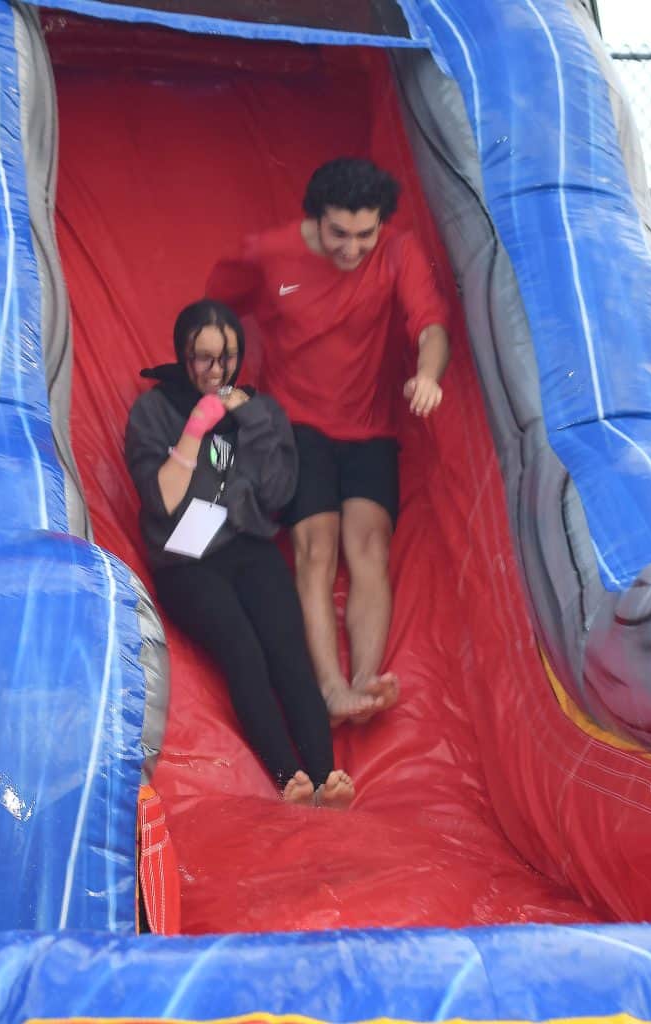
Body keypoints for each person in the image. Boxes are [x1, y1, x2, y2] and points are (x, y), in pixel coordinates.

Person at [207, 157, 450, 726]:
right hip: (297, 426)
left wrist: (429, 374)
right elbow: (214, 311)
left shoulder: (396, 250)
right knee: (317, 547)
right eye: (339, 233)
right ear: (317, 218)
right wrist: (219, 391)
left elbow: (431, 323)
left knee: (368, 547)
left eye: (365, 234)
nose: (351, 249)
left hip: (369, 428)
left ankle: (365, 681)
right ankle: (330, 687)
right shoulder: (270, 255)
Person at [124, 298, 354, 809]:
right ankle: (288, 776)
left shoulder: (262, 411)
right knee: (243, 651)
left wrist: (250, 422)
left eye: (226, 358)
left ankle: (324, 775)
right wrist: (195, 428)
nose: (216, 371)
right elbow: (162, 499)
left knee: (287, 650)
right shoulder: (153, 410)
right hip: (185, 559)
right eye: (203, 358)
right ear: (184, 357)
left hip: (246, 544)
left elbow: (277, 494)